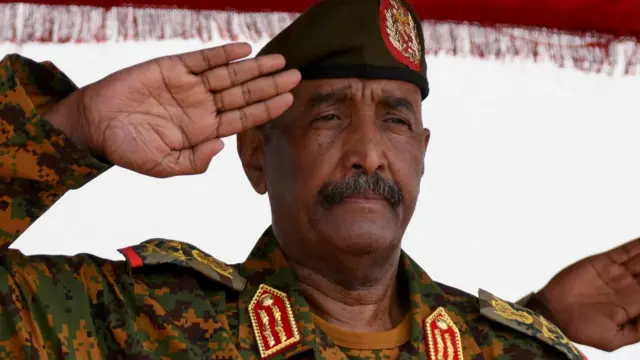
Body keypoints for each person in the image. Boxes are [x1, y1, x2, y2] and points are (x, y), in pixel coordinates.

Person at [0, 0, 638, 358]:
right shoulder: (135, 324)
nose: (368, 153)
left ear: (422, 153)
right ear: (256, 154)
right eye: (329, 116)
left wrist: (544, 323)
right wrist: (67, 131)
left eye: (394, 120)